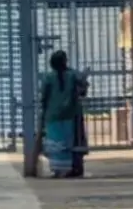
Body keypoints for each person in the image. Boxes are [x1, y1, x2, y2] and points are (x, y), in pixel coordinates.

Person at [37, 50, 89, 178]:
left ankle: (57, 169)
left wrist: (42, 114)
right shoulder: (72, 75)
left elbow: (43, 97)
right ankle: (68, 167)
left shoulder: (48, 77)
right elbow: (83, 91)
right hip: (70, 115)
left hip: (52, 115)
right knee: (68, 142)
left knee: (54, 143)